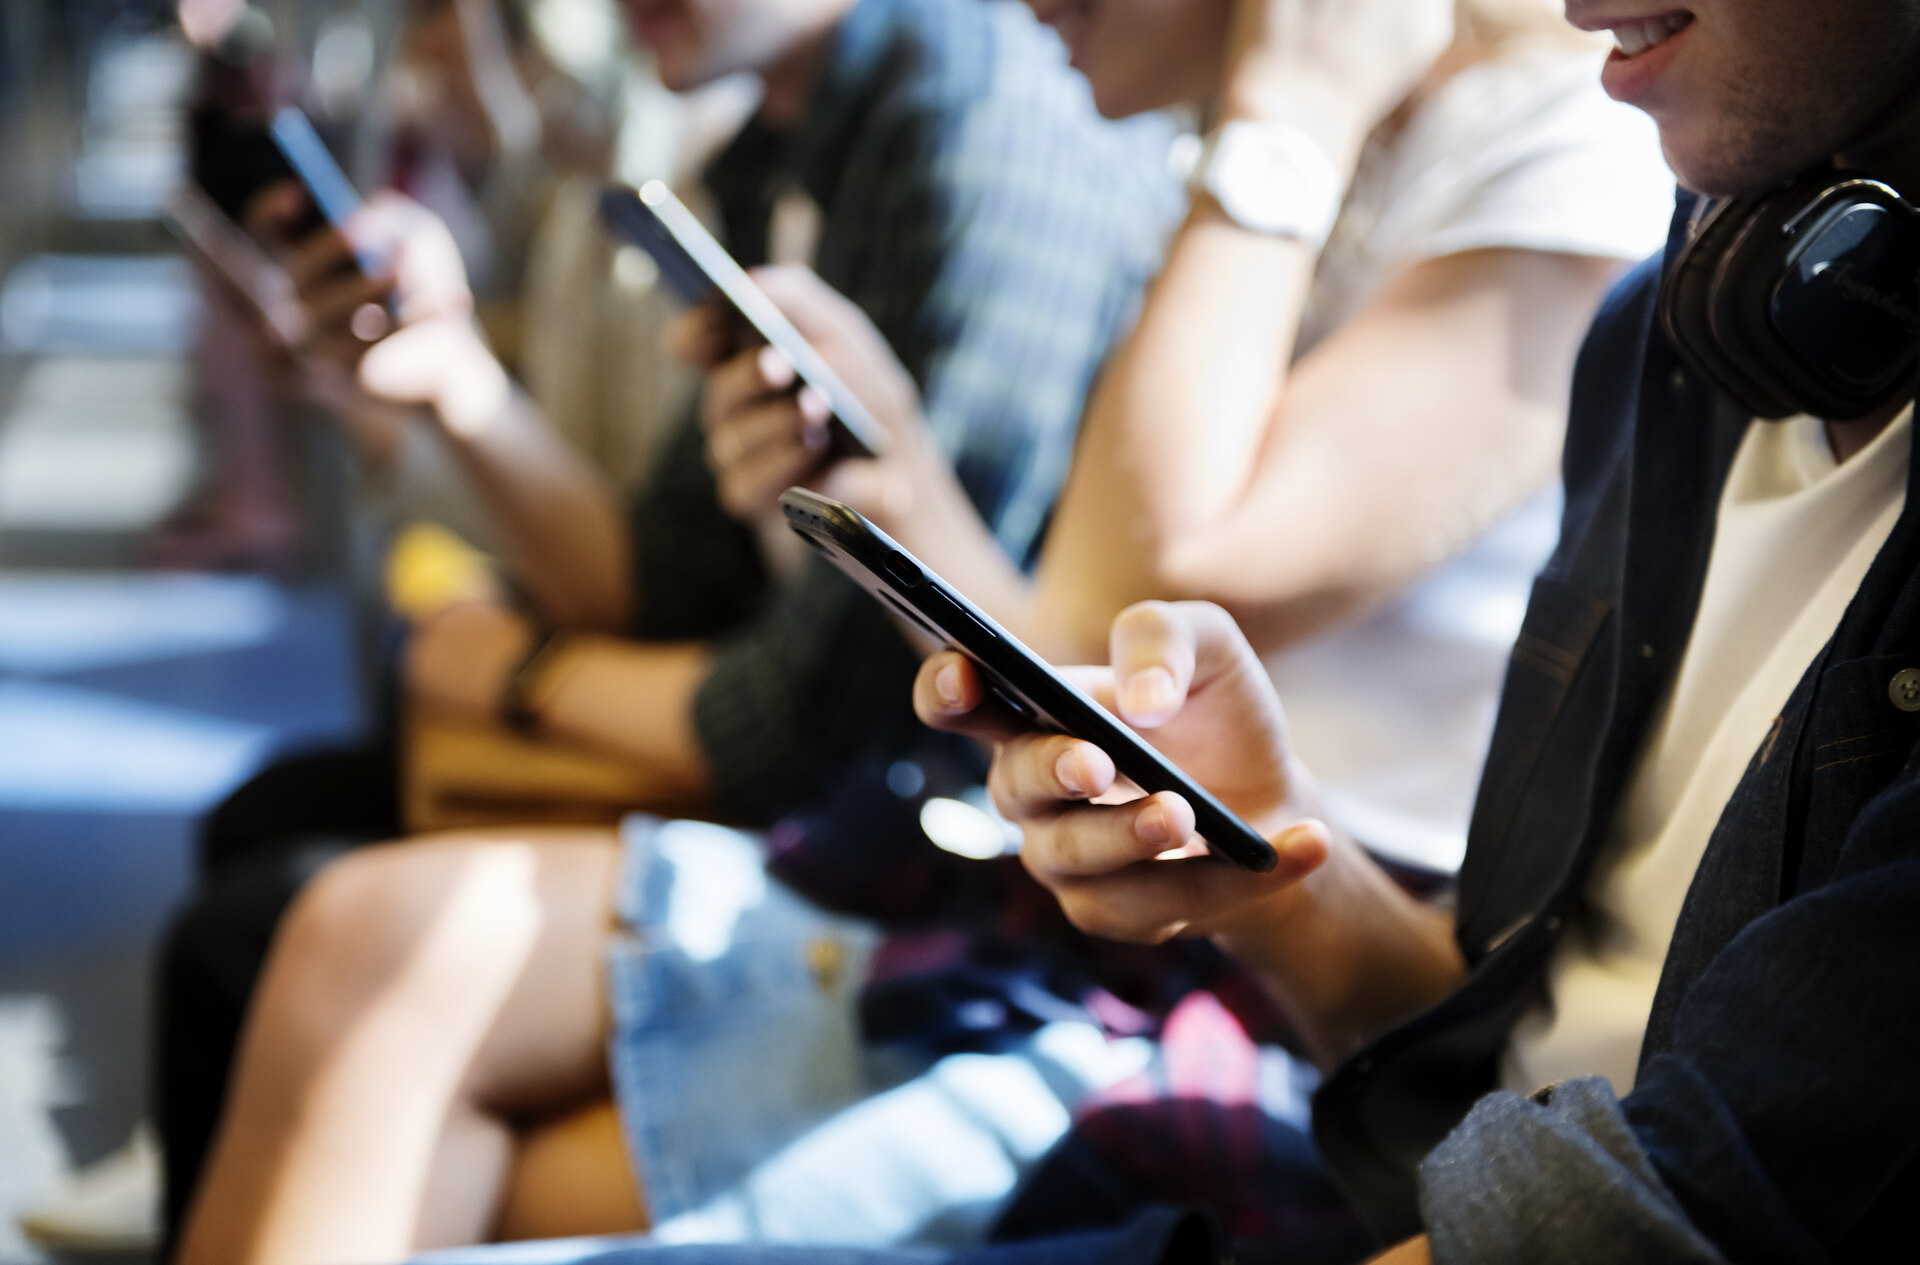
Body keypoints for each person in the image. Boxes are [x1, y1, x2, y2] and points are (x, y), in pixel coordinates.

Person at [170, 0, 1176, 1259]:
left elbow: (806, 726)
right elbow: (666, 579)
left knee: (302, 921)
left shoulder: (975, 118)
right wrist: (455, 380)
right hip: (883, 826)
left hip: (963, 873)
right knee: (295, 878)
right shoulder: (777, 143)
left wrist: (522, 671)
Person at [915, 0, 1920, 1258]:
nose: (1579, 7)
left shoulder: (1554, 184)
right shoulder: (1675, 330)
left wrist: (1281, 117)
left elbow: (1661, 1211)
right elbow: (1495, 1056)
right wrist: (1278, 866)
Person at [722, 0, 1675, 873]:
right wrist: (889, 472)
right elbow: (1087, 657)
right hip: (1167, 895)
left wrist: (1286, 115)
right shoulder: (1296, 153)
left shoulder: (1573, 143)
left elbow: (1142, 592)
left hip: (1348, 934)